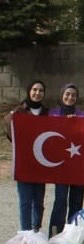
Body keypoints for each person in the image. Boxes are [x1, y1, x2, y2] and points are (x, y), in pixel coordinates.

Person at [48, 83, 84, 235]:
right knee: (60, 201)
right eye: (67, 94)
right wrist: (64, 121)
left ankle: (72, 237)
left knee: (76, 202)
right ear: (62, 95)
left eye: (73, 95)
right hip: (61, 166)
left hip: (79, 166)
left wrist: (77, 123)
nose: (70, 97)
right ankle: (55, 235)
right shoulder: (53, 114)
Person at [8, 81, 47, 232]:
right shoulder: (20, 111)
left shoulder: (47, 113)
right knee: (25, 201)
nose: (37, 93)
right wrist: (11, 118)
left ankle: (36, 229)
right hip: (24, 163)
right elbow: (9, 130)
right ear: (29, 91)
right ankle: (25, 233)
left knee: (38, 201)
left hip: (41, 163)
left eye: (41, 90)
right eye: (34, 90)